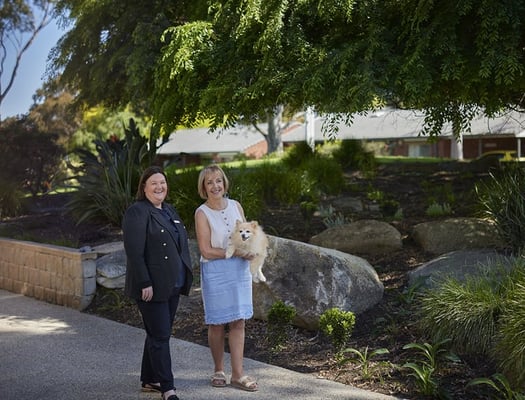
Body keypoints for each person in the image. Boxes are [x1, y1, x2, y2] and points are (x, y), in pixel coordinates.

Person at [123, 166, 193, 400]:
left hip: (172, 284)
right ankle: (167, 388)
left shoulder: (169, 210)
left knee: (157, 333)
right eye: (153, 183)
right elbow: (134, 252)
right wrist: (144, 282)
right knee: (160, 336)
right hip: (151, 286)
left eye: (162, 182)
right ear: (144, 187)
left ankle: (149, 379)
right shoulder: (137, 212)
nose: (159, 187)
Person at [194, 164, 259, 392]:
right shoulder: (202, 213)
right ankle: (218, 369)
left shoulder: (236, 206)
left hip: (239, 271)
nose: (215, 186)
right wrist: (235, 252)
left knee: (239, 321)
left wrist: (250, 249)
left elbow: (246, 236)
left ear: (224, 183)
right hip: (216, 271)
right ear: (204, 187)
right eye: (209, 182)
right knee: (217, 323)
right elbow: (206, 250)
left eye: (218, 180)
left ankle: (238, 375)